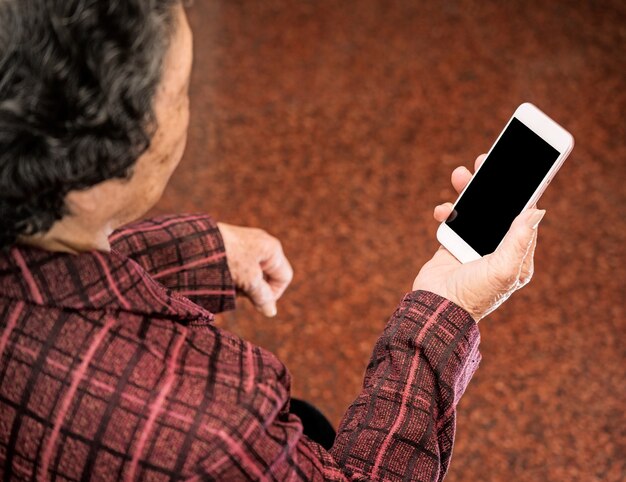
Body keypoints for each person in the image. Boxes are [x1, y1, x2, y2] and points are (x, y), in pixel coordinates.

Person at [0, 1, 545, 480]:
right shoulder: (211, 435)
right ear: (98, 160)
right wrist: (446, 309)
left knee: (305, 420)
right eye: (182, 94)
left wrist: (198, 251)